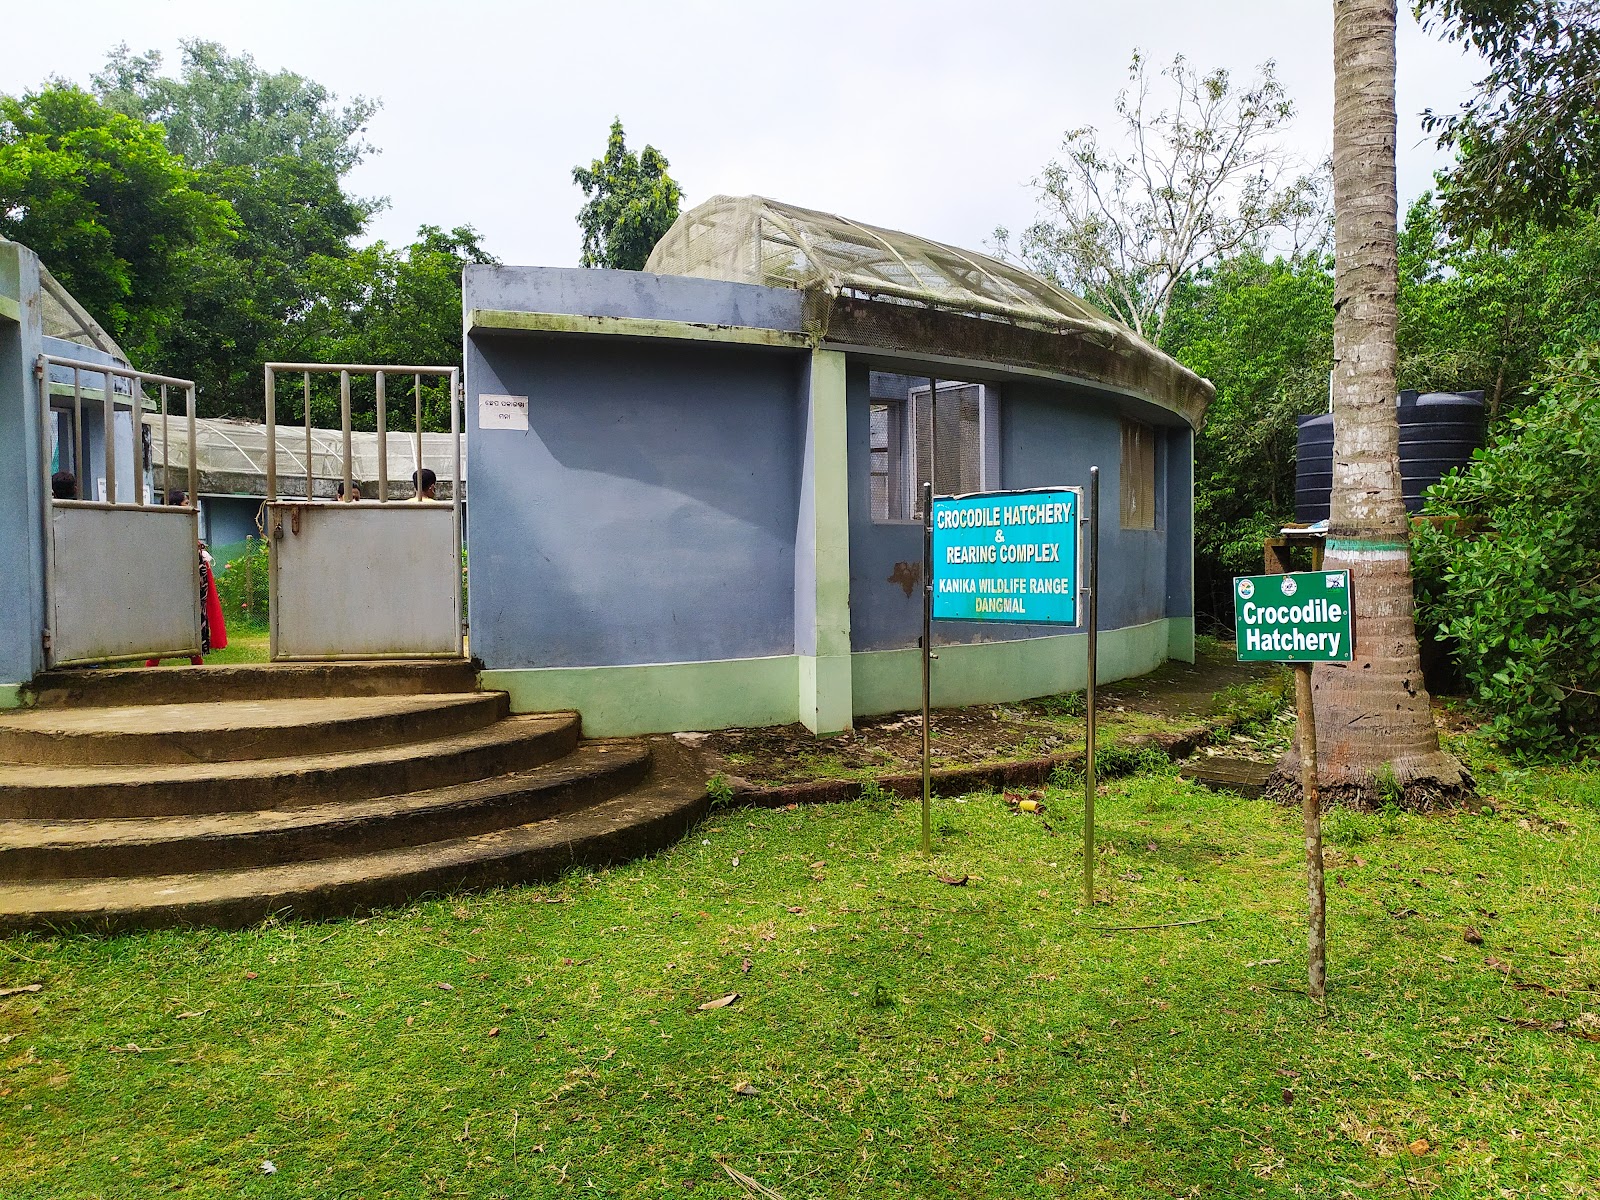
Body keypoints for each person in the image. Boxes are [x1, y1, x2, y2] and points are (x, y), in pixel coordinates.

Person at [144, 490, 227, 667]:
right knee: (176, 621)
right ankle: (160, 661)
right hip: (177, 585)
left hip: (186, 584)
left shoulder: (174, 527)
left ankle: (192, 659)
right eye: (185, 503)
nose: (189, 507)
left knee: (186, 622)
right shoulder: (168, 529)